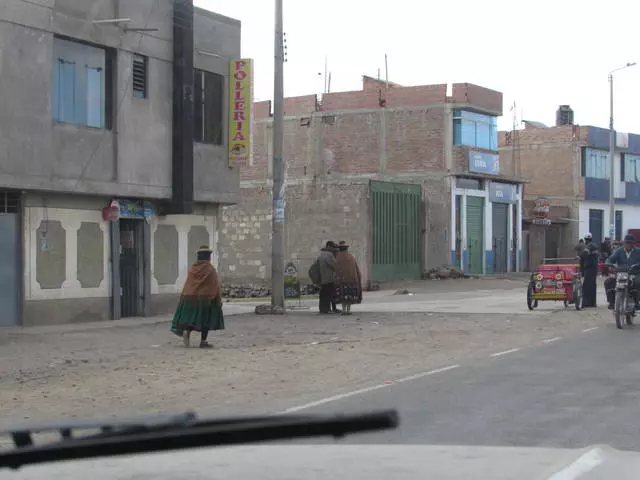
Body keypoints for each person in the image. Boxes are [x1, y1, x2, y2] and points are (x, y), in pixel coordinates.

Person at [170, 245, 224, 348]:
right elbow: (215, 285)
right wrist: (217, 299)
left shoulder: (193, 269)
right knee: (205, 321)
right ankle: (203, 342)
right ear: (208, 257)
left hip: (189, 298)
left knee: (191, 319)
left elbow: (188, 284)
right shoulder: (210, 269)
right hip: (205, 299)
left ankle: (187, 331)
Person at [604, 234, 640, 310]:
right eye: (627, 243)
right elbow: (610, 259)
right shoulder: (619, 251)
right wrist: (609, 264)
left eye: (630, 243)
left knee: (638, 282)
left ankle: (637, 302)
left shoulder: (638, 251)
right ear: (624, 243)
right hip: (621, 273)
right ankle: (612, 302)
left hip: (634, 273)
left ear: (633, 244)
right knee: (608, 282)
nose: (628, 245)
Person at [334, 241, 362, 315]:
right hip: (351, 279)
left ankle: (343, 310)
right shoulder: (351, 257)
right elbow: (355, 268)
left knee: (343, 296)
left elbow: (336, 269)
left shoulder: (338, 258)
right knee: (349, 296)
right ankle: (348, 310)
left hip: (341, 280)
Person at [315, 241, 338, 314]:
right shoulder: (329, 255)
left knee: (323, 294)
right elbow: (334, 265)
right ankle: (329, 309)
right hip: (329, 278)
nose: (333, 248)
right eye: (332, 246)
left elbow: (317, 265)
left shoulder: (320, 255)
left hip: (323, 278)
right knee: (330, 294)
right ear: (329, 246)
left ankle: (322, 309)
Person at [579, 233, 599, 308]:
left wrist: (579, 256)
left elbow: (585, 253)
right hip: (593, 268)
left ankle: (587, 303)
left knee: (587, 286)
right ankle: (592, 303)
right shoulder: (594, 245)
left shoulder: (590, 245)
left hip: (590, 268)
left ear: (586, 239)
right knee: (592, 285)